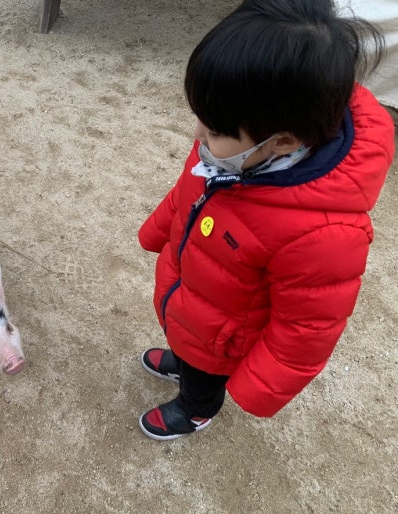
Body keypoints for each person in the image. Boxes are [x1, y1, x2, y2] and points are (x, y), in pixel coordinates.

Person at [137, 0, 395, 440]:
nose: (199, 133)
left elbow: (307, 327)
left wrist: (259, 386)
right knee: (187, 337)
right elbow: (190, 192)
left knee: (205, 371)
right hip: (191, 296)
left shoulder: (323, 232)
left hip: (224, 337)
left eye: (214, 129)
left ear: (285, 141)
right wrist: (159, 227)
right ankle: (184, 356)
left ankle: (198, 406)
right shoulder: (233, 152)